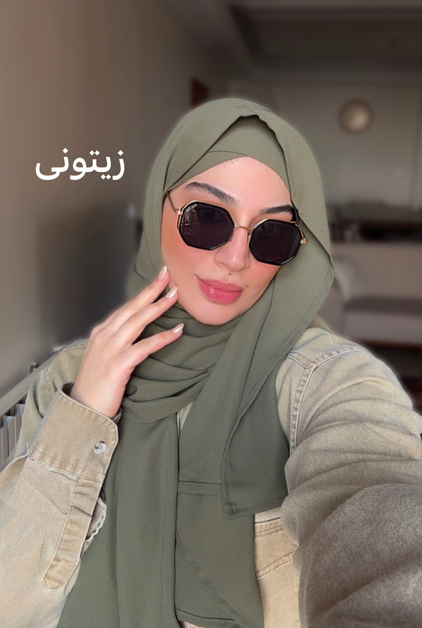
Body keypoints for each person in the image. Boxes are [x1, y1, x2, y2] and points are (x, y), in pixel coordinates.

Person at [1, 97, 422, 628]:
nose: (235, 258)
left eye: (271, 234)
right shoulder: (68, 379)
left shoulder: (322, 378)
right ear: (159, 207)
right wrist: (83, 415)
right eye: (206, 218)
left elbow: (375, 497)